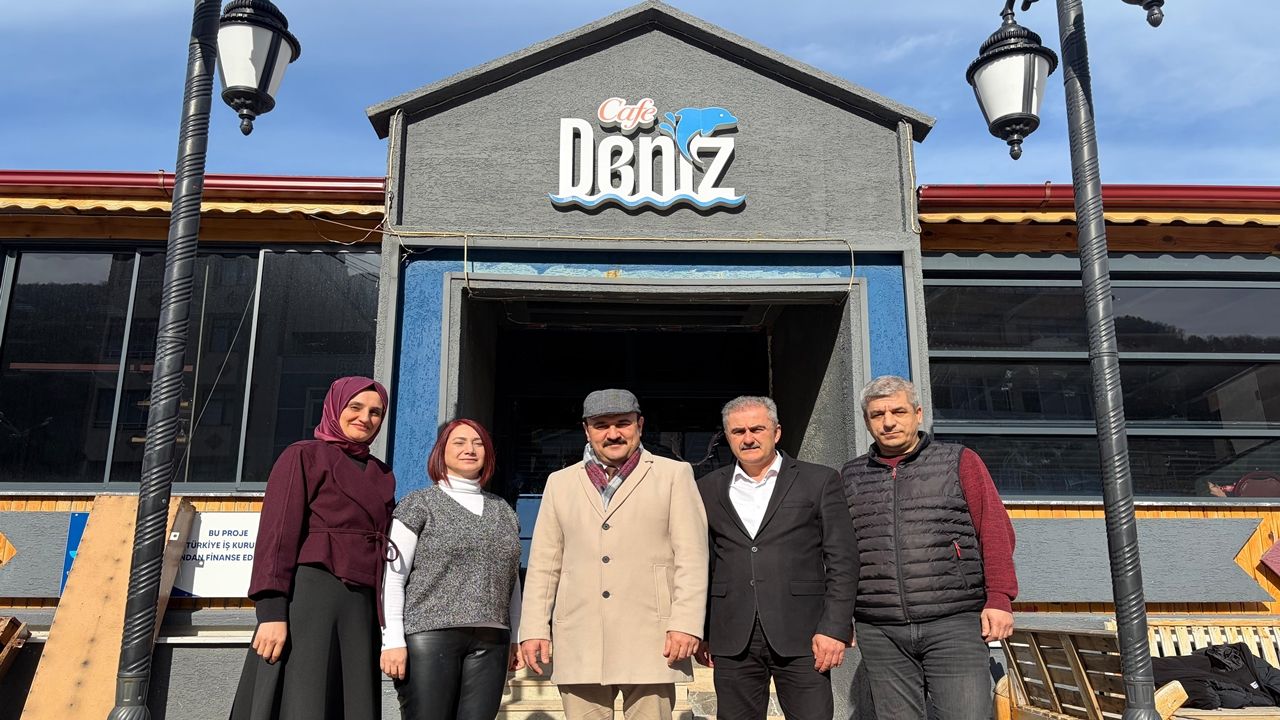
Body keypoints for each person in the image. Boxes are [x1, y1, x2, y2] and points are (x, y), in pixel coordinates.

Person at [520, 388, 710, 720]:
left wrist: (686, 624)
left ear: (640, 425)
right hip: (580, 636)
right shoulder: (560, 483)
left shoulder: (673, 475)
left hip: (653, 637)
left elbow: (692, 558)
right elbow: (544, 565)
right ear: (586, 430)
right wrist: (534, 627)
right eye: (601, 425)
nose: (613, 434)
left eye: (623, 423)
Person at [841, 375, 1018, 720]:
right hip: (880, 629)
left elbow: (995, 530)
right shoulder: (850, 476)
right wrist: (839, 617)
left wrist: (1000, 598)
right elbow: (839, 554)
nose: (888, 422)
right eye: (877, 415)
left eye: (898, 412)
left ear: (918, 414)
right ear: (866, 421)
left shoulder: (959, 461)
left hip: (954, 622)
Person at [230, 376, 397, 720]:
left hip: (362, 606)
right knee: (304, 697)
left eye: (375, 412)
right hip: (310, 599)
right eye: (355, 407)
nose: (365, 418)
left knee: (350, 700)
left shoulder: (381, 474)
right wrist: (272, 613)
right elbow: (277, 536)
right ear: (334, 407)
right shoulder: (304, 455)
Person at [694, 396, 858, 719]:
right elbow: (702, 562)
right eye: (738, 431)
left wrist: (835, 627)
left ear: (776, 432)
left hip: (804, 634)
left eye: (757, 429)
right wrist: (702, 630)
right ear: (727, 437)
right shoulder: (707, 488)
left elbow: (843, 559)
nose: (748, 438)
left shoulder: (819, 480)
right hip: (732, 635)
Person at [379, 418, 524, 720]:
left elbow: (512, 581)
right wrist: (392, 640)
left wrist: (515, 637)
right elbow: (393, 579)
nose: (469, 449)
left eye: (478, 443)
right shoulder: (419, 504)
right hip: (430, 636)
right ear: (441, 452)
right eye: (459, 442)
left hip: (492, 640)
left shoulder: (504, 511)